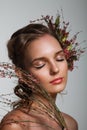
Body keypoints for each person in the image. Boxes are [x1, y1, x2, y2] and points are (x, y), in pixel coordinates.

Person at [0, 15, 83, 130]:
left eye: (59, 58)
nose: (55, 69)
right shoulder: (15, 126)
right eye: (40, 65)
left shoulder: (70, 124)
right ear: (21, 73)